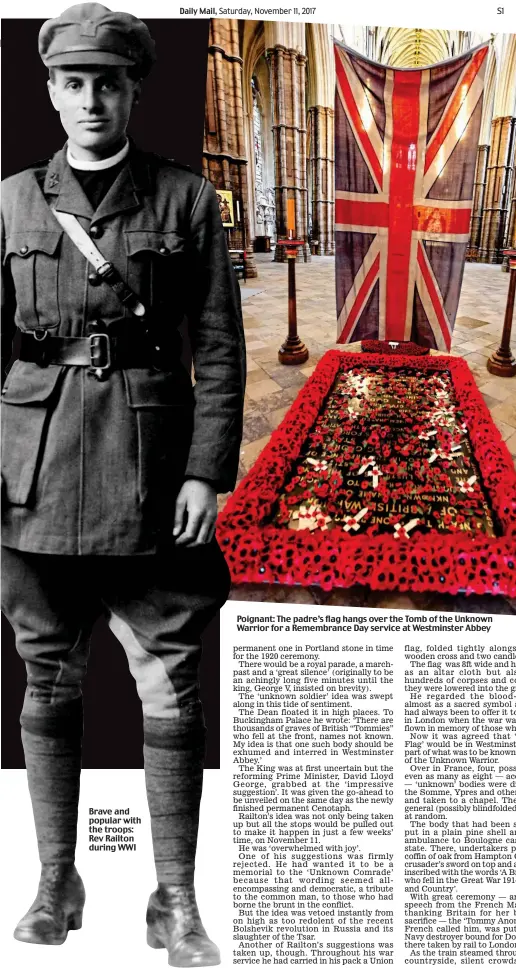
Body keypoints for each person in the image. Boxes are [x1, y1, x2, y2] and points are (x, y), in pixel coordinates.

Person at [1, 5, 245, 966]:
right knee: (47, 673)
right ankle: (56, 878)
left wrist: (205, 471)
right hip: (34, 469)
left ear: (135, 89)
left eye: (109, 82)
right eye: (73, 82)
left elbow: (218, 347)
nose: (91, 99)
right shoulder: (12, 202)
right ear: (51, 91)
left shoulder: (186, 200)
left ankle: (174, 901)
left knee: (172, 683)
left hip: (153, 478)